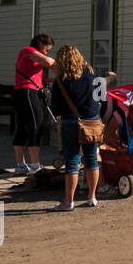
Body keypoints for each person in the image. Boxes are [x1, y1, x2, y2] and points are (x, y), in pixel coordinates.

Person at [49, 45, 102, 211]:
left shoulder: (60, 80)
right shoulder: (92, 73)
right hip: (91, 122)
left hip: (70, 122)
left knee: (72, 162)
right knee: (91, 159)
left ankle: (68, 202)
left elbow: (56, 108)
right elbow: (102, 97)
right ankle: (92, 197)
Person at [12, 34, 55, 175]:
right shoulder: (28, 51)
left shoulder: (27, 54)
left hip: (22, 92)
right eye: (47, 49)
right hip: (27, 93)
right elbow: (49, 62)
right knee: (36, 126)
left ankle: (20, 165)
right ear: (42, 45)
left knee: (23, 128)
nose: (47, 52)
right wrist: (55, 62)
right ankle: (35, 165)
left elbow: (36, 77)